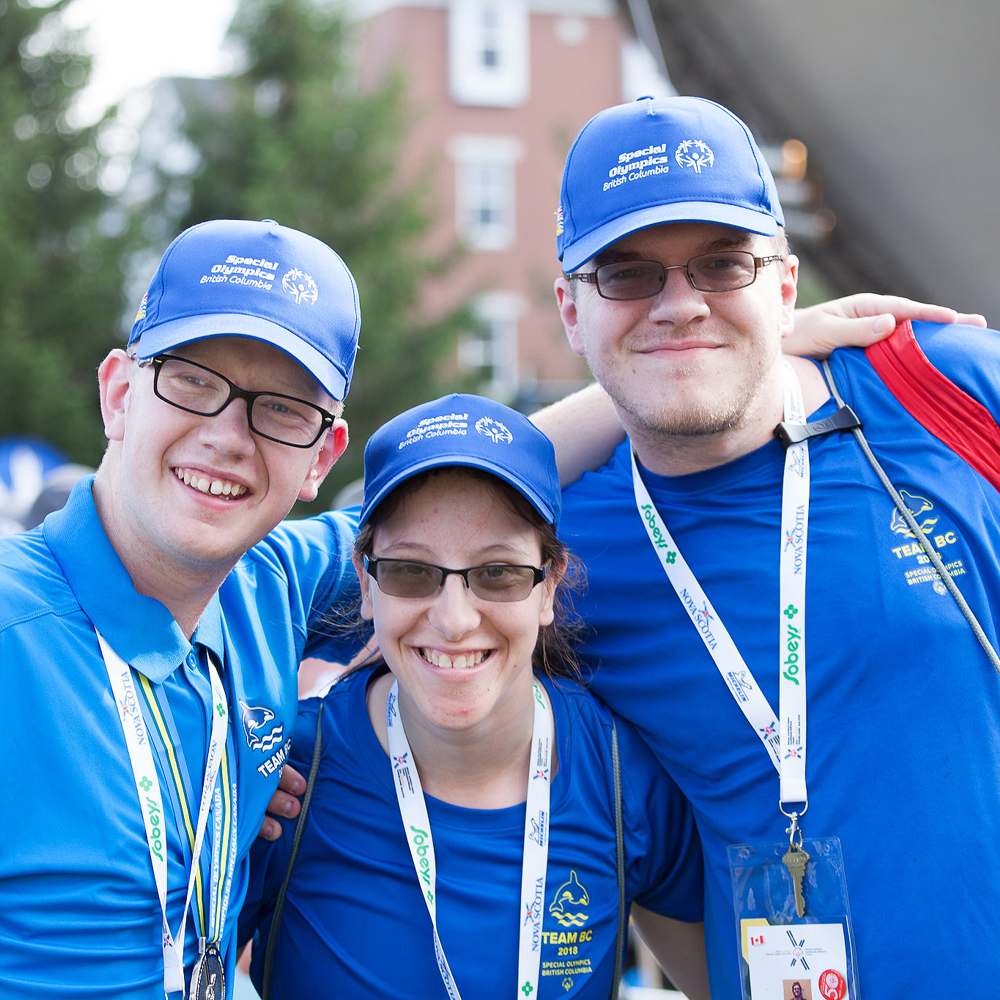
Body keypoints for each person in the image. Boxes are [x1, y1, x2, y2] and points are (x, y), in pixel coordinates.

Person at [534, 94, 1000, 998]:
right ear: (568, 307)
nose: (680, 304)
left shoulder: (942, 391)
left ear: (784, 283)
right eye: (628, 276)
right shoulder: (551, 553)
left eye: (722, 265)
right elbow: (343, 569)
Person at [239, 393, 709, 999]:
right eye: (411, 571)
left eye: (498, 573)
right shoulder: (284, 774)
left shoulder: (621, 776)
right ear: (366, 584)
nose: (455, 620)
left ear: (547, 588)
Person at [0, 219, 364, 998]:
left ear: (320, 460)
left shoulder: (271, 584)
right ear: (120, 393)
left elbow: (464, 515)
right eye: (193, 380)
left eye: (282, 409)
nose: (229, 437)